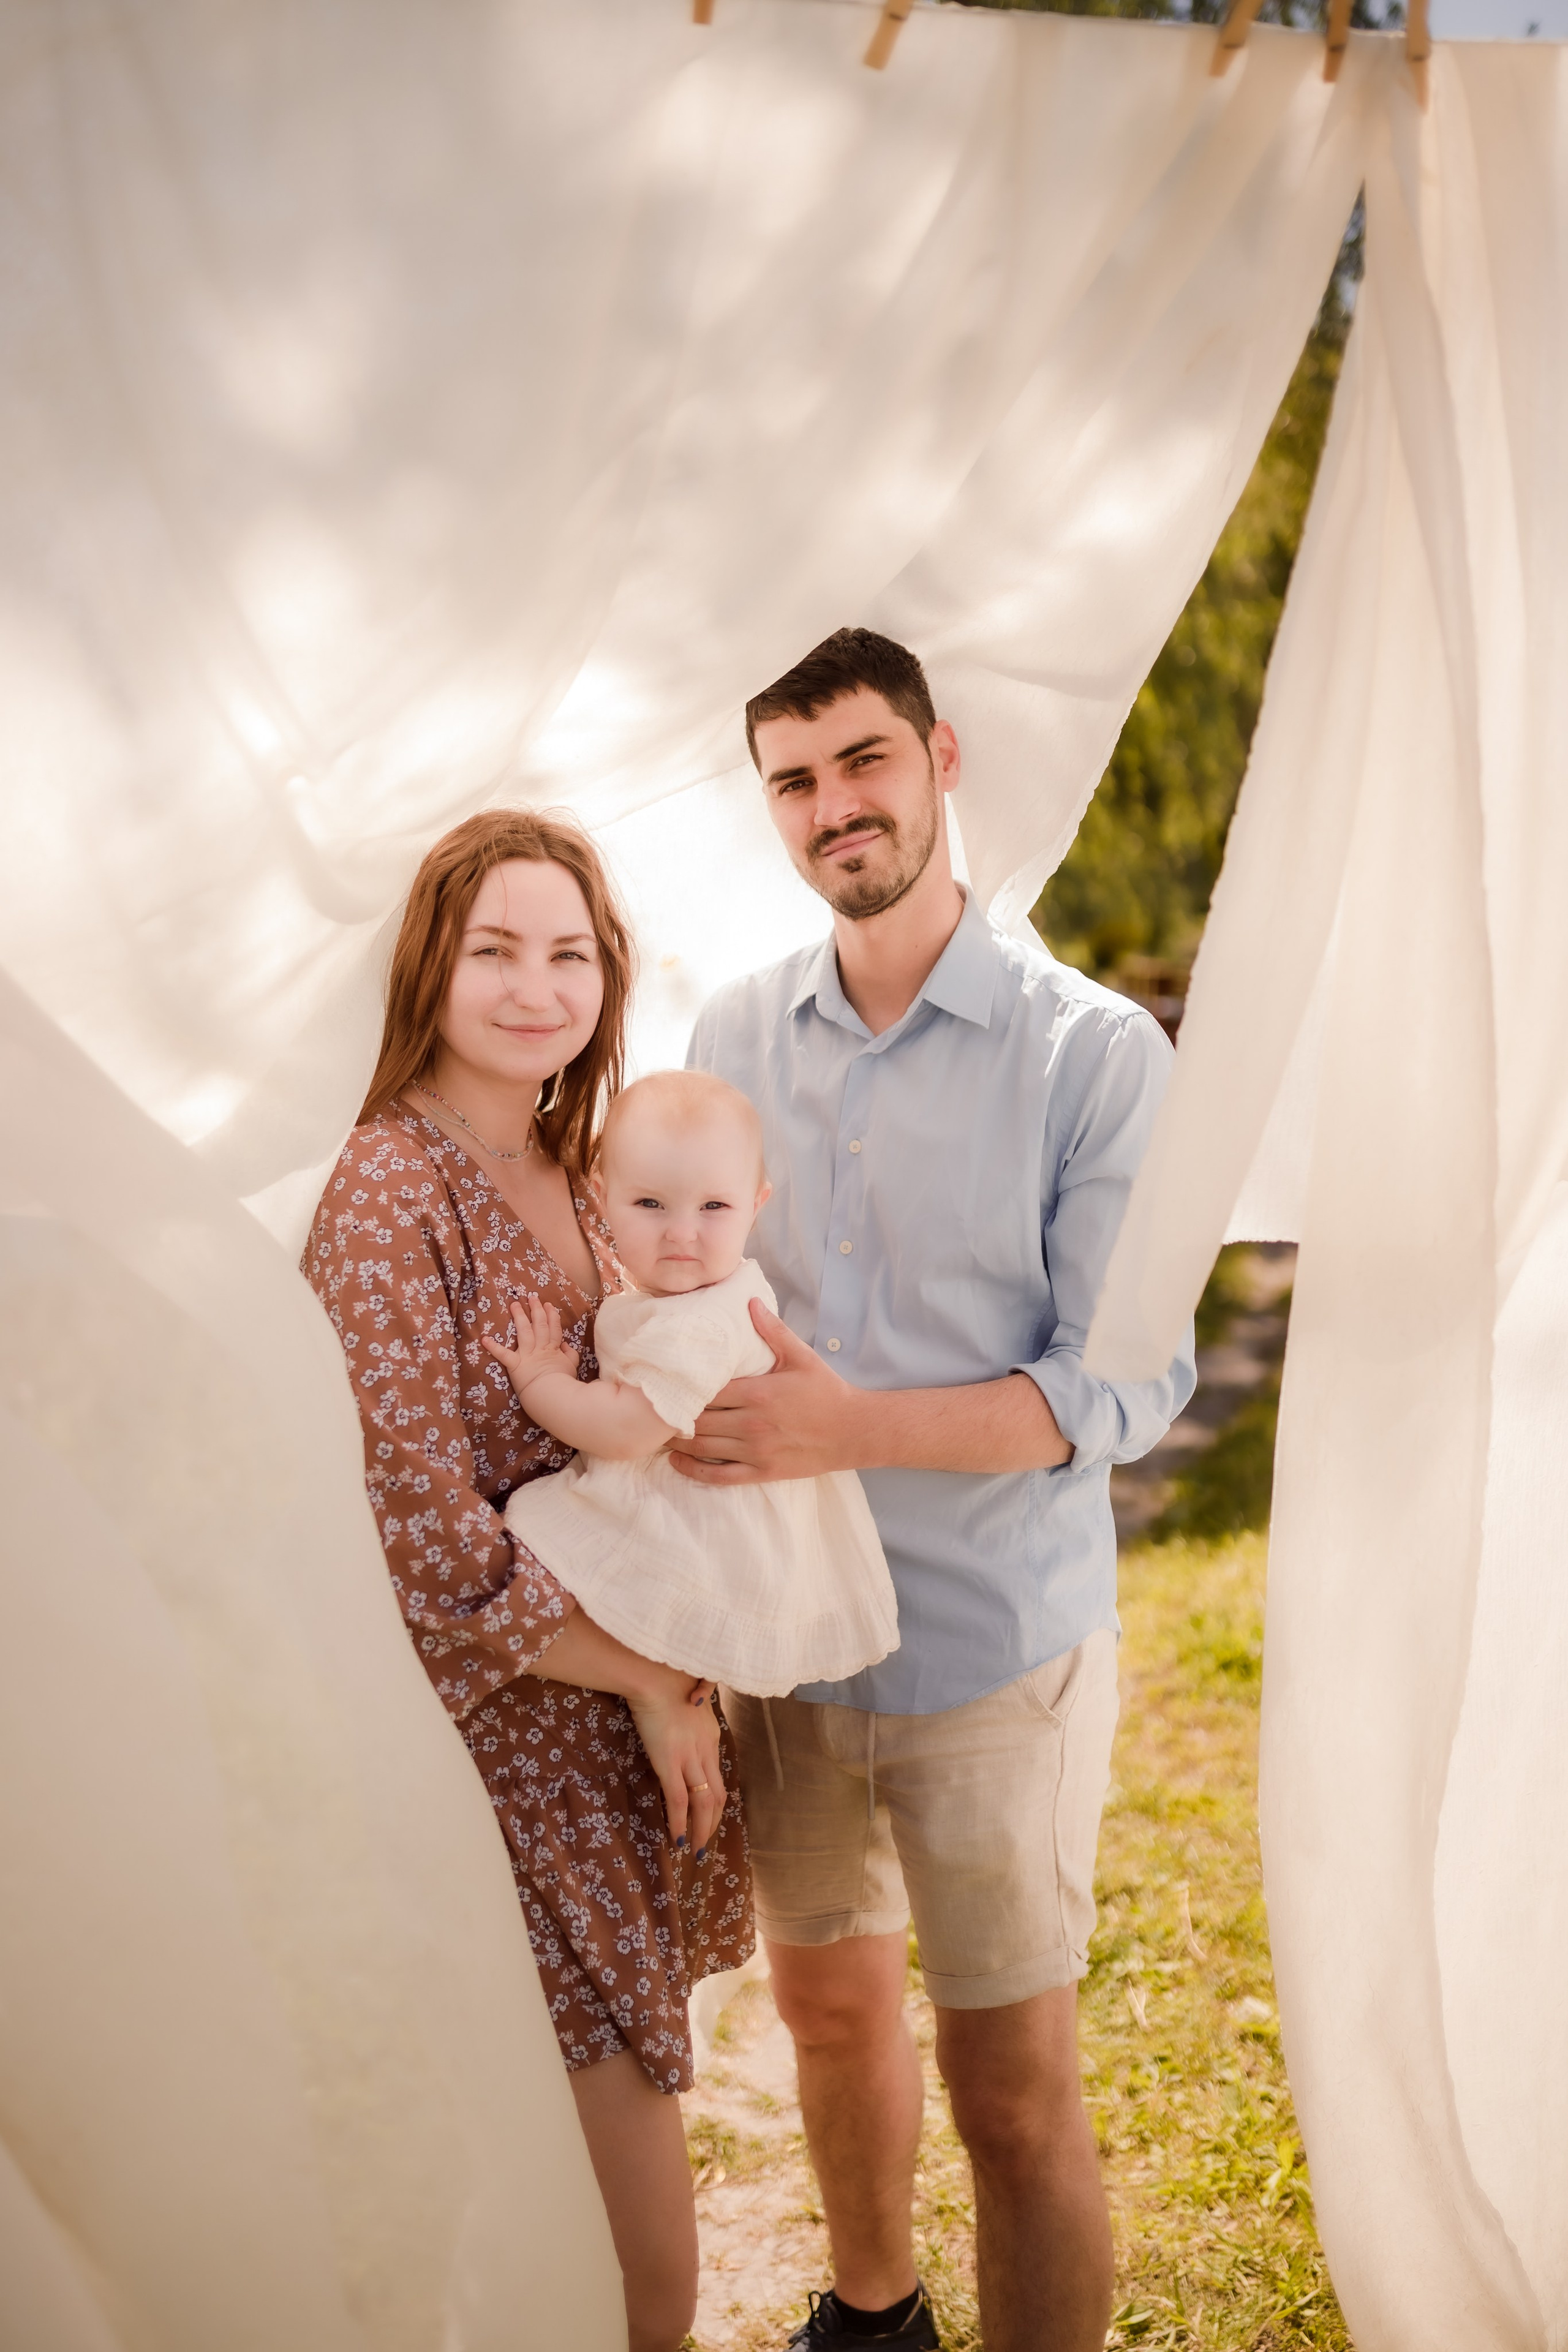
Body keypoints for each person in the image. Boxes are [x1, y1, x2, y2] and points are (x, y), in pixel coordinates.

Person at [681, 629, 1197, 2352]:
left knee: (1017, 2091)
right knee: (828, 2024)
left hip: (994, 1652)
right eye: (797, 782)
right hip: (789, 1650)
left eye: (863, 762)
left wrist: (853, 1430)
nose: (837, 807)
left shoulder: (1095, 1053)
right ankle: (873, 2317)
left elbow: (1114, 1387)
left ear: (941, 757)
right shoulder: (732, 1030)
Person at [303, 810, 752, 2352]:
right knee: (640, 2272)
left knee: (588, 2233)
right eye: (492, 947)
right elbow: (416, 1525)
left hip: (608, 1741)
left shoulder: (581, 1161)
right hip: (503, 1761)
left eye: (566, 950)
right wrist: (650, 1673)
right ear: (432, 962)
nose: (530, 984)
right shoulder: (389, 1187)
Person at [489, 1068, 899, 1695]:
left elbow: (627, 1430)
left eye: (714, 1207)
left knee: (524, 1553)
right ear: (602, 1198)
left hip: (706, 1535)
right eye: (650, 1204)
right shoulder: (705, 1291)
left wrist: (545, 1381)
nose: (682, 1233)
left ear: (756, 1204)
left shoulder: (704, 1323)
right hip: (706, 1515)